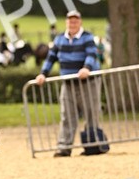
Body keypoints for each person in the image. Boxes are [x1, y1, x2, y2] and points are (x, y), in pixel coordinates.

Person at [34, 10, 103, 156]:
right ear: (66, 22)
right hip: (68, 83)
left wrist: (86, 68)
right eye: (70, 20)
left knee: (91, 114)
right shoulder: (59, 39)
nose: (73, 23)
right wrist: (43, 73)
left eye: (75, 20)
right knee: (67, 115)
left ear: (80, 22)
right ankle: (64, 147)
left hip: (88, 82)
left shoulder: (87, 37)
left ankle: (92, 146)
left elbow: (92, 54)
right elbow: (50, 58)